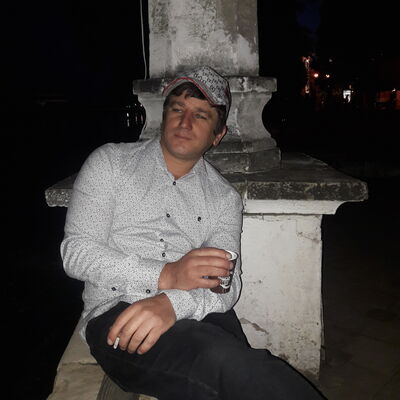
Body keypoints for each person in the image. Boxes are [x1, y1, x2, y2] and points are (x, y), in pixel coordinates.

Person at [61, 66, 325, 399]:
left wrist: (173, 302)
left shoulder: (223, 198)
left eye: (200, 115)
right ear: (164, 118)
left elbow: (227, 284)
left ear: (218, 134)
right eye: (177, 109)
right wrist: (166, 275)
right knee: (227, 365)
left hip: (195, 307)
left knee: (245, 370)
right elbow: (77, 252)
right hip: (118, 312)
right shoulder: (110, 163)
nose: (185, 123)